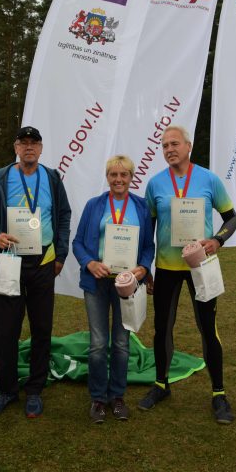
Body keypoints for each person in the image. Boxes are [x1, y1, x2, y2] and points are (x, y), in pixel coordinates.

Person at [138, 126, 236, 424]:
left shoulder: (209, 179)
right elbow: (147, 231)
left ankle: (219, 393)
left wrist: (217, 240)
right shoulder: (155, 184)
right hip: (167, 268)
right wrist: (146, 266)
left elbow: (231, 218)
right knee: (162, 329)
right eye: (164, 145)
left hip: (200, 267)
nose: (169, 149)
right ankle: (161, 385)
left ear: (188, 146)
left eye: (174, 144)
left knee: (208, 328)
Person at [0, 126, 71, 418]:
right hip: (10, 260)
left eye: (34, 143)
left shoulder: (52, 178)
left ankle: (35, 390)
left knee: (41, 328)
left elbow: (64, 215)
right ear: (16, 147)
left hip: (43, 262)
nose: (29, 147)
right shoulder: (0, 178)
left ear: (40, 148)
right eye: (23, 142)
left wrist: (60, 254)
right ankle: (6, 390)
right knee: (6, 329)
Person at [73, 155, 155, 423]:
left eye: (124, 175)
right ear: (107, 177)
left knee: (121, 343)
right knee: (98, 344)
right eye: (113, 174)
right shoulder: (94, 205)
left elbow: (148, 246)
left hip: (127, 284)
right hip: (97, 282)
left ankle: (117, 396)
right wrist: (90, 263)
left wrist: (143, 267)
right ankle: (98, 398)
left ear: (131, 177)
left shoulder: (141, 207)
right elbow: (78, 243)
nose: (118, 179)